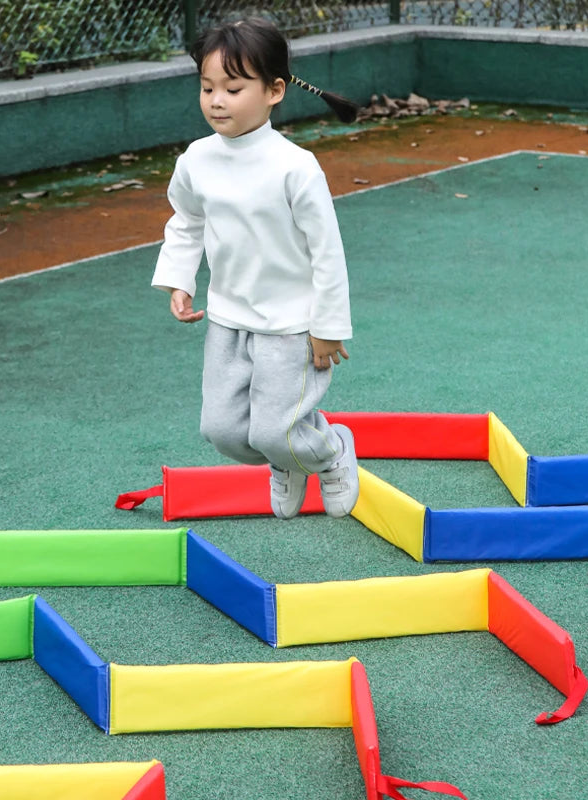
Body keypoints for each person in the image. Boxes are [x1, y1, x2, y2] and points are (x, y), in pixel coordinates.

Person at [151, 17, 359, 520]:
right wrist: (180, 278)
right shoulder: (196, 160)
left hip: (291, 326)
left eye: (232, 88)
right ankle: (286, 462)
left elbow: (327, 251)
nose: (216, 100)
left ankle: (331, 452)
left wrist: (328, 329)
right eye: (207, 87)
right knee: (221, 430)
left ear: (274, 90)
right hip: (227, 320)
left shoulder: (296, 167)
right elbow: (187, 219)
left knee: (274, 429)